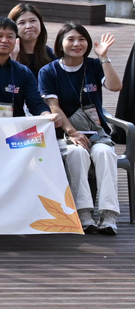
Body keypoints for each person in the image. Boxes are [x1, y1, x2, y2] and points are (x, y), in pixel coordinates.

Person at [38, 22, 122, 234]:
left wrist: (104, 57)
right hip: (64, 134)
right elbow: (54, 107)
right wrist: (72, 133)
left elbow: (115, 86)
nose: (77, 44)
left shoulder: (94, 65)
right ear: (60, 43)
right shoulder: (49, 71)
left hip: (96, 133)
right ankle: (84, 213)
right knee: (77, 154)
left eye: (81, 39)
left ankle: (109, 215)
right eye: (71, 39)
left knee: (105, 152)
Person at [9, 4, 52, 71]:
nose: (28, 26)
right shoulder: (7, 55)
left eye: (33, 21)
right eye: (22, 23)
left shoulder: (52, 55)